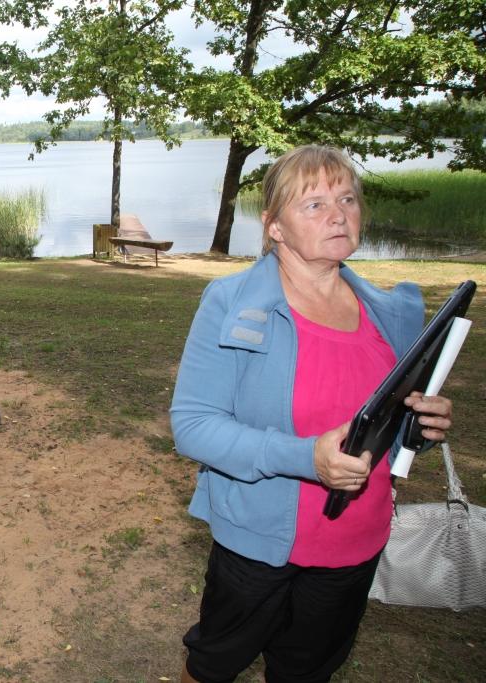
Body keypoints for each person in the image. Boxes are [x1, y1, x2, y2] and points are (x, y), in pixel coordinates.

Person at [169, 145, 454, 683]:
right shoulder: (231, 304)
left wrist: (421, 427)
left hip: (355, 541)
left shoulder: (392, 313)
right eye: (315, 204)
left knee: (307, 671)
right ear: (275, 227)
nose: (339, 214)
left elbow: (384, 429)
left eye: (347, 199)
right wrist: (306, 457)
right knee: (213, 664)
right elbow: (193, 425)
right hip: (255, 541)